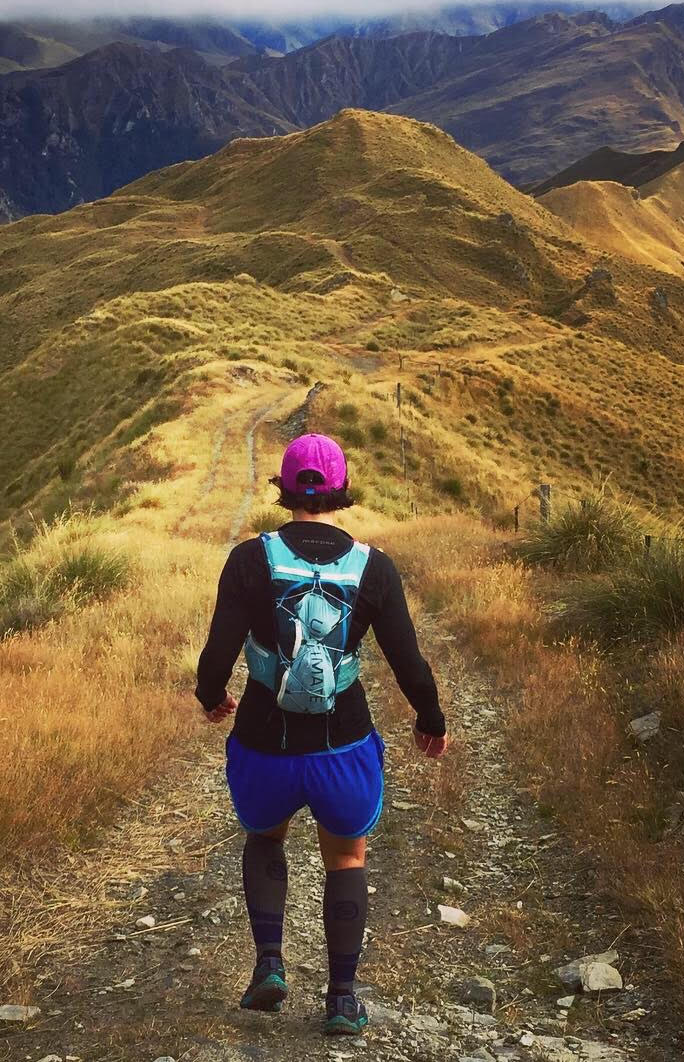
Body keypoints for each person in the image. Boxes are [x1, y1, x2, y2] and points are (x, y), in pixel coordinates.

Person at [195, 432, 449, 1037]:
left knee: (264, 840)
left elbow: (215, 657)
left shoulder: (249, 559)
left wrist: (214, 700)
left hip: (264, 745)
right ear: (341, 490)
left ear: (284, 489)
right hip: (343, 748)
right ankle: (340, 998)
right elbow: (408, 661)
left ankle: (269, 966)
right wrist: (429, 719)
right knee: (346, 858)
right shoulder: (375, 567)